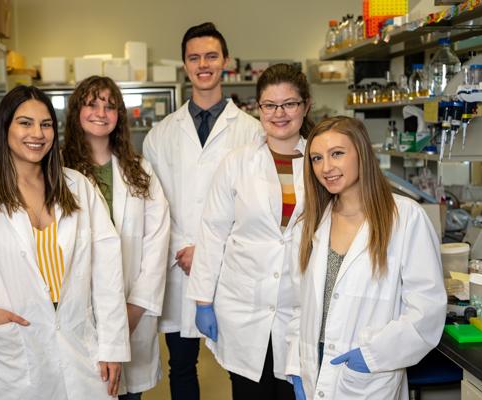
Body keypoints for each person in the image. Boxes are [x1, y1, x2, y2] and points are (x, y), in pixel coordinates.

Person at [0, 85, 130, 400]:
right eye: (25, 123)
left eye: (46, 124)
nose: (37, 133)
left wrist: (113, 346)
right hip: (13, 351)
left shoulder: (78, 187)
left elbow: (108, 274)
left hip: (79, 344)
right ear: (4, 128)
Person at [285, 116, 447, 400]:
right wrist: (296, 367)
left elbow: (426, 310)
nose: (326, 168)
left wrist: (370, 356)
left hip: (366, 370)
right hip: (314, 364)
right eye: (316, 158)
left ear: (361, 153)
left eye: (337, 154)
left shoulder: (405, 218)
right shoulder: (309, 222)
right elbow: (298, 304)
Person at [143, 22, 263, 400]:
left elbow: (256, 207)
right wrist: (187, 249)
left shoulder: (252, 131)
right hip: (180, 266)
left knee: (238, 368)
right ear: (184, 65)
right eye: (194, 57)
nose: (203, 64)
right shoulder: (160, 134)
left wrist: (210, 253)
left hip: (234, 269)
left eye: (211, 56)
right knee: (180, 365)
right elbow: (154, 208)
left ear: (225, 61)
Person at [186, 63, 312, 399]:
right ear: (259, 109)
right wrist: (203, 301)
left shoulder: (322, 162)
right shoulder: (237, 162)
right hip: (243, 309)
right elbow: (213, 232)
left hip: (300, 309)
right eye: (270, 105)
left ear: (305, 106)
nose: (279, 113)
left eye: (289, 104)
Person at [62, 75, 170, 400]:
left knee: (128, 394)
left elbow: (157, 241)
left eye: (110, 106)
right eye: (92, 104)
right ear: (77, 112)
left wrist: (134, 308)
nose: (101, 112)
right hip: (75, 311)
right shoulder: (58, 170)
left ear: (120, 116)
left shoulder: (140, 170)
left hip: (131, 308)